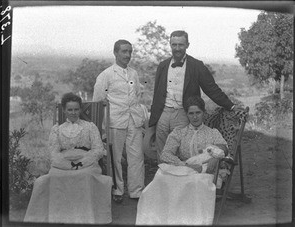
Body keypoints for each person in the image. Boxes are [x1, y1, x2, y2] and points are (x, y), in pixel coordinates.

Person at [148, 30, 240, 163]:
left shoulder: (197, 66)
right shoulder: (163, 65)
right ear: (170, 45)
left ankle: (184, 179)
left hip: (183, 113)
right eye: (174, 45)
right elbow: (157, 94)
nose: (177, 48)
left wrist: (230, 105)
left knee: (183, 151)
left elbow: (211, 89)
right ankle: (165, 180)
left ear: (187, 45)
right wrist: (154, 119)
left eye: (181, 45)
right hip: (163, 113)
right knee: (163, 153)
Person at [136, 96, 227, 225]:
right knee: (161, 178)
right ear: (187, 115)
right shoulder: (179, 132)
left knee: (194, 181)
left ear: (204, 113)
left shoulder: (212, 133)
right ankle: (163, 219)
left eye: (198, 113)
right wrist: (184, 165)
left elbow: (224, 149)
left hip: (206, 171)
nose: (195, 117)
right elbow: (166, 154)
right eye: (191, 113)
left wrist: (215, 159)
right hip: (184, 168)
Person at [24, 92, 113, 224]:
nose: (73, 112)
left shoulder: (90, 127)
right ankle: (59, 216)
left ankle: (85, 216)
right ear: (64, 110)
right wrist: (67, 165)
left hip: (87, 162)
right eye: (70, 109)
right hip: (63, 163)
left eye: (76, 109)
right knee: (54, 176)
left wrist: (83, 162)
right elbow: (53, 152)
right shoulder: (57, 129)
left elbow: (98, 149)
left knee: (85, 175)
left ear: (80, 109)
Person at [93, 39, 145, 203]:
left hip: (134, 119)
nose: (127, 55)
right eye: (124, 51)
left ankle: (136, 191)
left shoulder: (134, 74)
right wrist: (101, 129)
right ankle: (117, 190)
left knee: (136, 157)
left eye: (130, 51)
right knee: (115, 157)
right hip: (115, 120)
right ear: (115, 53)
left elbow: (136, 95)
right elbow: (98, 101)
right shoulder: (106, 75)